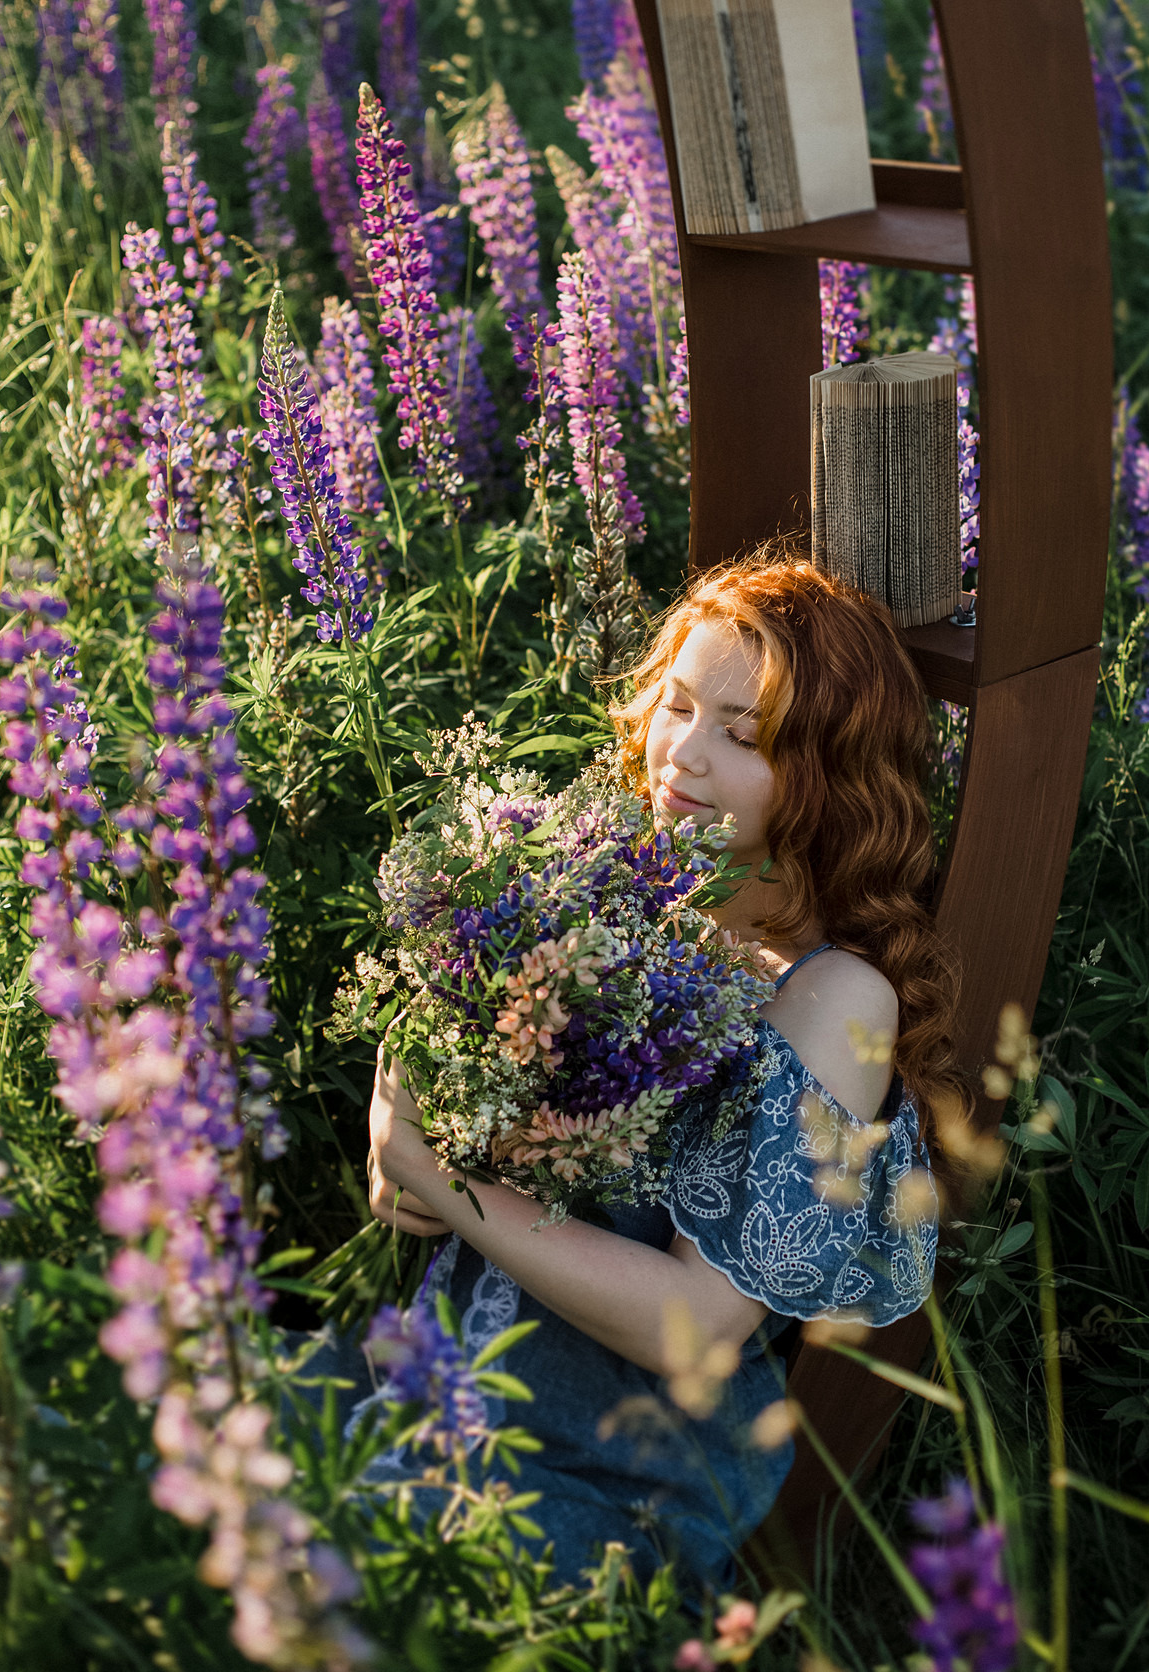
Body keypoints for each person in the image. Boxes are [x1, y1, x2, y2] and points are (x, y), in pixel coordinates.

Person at [365, 556, 968, 1595]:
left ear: (826, 774)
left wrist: (443, 1183)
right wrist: (407, 1119)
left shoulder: (829, 998)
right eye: (676, 706)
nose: (678, 755)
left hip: (593, 1491)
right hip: (430, 1395)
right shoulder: (611, 905)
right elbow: (427, 1151)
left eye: (741, 736)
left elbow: (695, 1325)